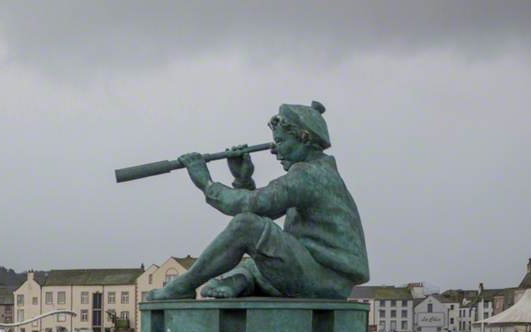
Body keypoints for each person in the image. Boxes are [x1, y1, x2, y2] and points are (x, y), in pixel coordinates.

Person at [145, 101, 368, 301]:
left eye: (280, 141)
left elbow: (255, 208)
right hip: (321, 273)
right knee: (252, 260)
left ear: (304, 138)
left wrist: (207, 184)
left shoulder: (308, 175)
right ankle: (238, 281)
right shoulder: (319, 173)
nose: (275, 151)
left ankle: (184, 286)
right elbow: (262, 212)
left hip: (325, 279)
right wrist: (243, 179)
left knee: (246, 226)